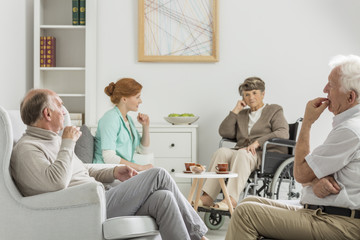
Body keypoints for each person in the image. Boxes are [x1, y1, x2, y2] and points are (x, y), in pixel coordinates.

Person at [10, 89, 208, 240]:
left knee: (163, 198)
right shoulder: (28, 148)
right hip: (85, 207)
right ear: (47, 114)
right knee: (159, 175)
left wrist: (113, 171)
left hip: (98, 198)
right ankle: (199, 235)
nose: (64, 111)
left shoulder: (53, 140)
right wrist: (68, 143)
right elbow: (56, 182)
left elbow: (81, 169)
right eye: (60, 106)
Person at [225, 55, 360, 240]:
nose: (324, 89)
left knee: (245, 213)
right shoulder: (349, 126)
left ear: (350, 97)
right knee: (248, 201)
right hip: (325, 211)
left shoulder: (350, 130)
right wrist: (314, 181)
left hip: (339, 222)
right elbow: (308, 176)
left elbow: (301, 173)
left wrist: (308, 123)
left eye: (331, 84)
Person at [200, 77, 289, 210]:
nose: (251, 97)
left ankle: (231, 199)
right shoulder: (242, 114)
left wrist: (258, 142)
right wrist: (235, 111)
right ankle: (207, 197)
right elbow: (225, 132)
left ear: (263, 94)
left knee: (243, 153)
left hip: (265, 154)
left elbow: (283, 132)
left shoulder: (274, 110)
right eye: (247, 94)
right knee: (222, 152)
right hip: (243, 152)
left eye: (254, 93)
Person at [93, 78, 153, 171]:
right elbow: (109, 157)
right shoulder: (110, 119)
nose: (140, 101)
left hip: (123, 171)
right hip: (106, 172)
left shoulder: (128, 119)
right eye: (137, 97)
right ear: (124, 99)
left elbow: (143, 150)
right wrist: (140, 168)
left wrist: (145, 126)